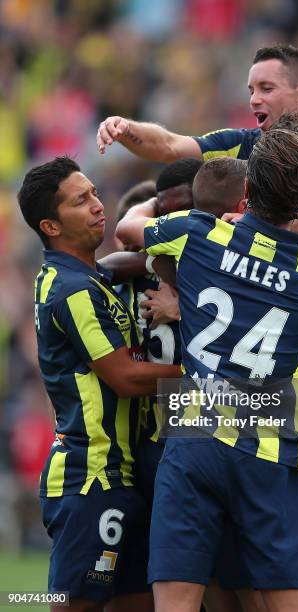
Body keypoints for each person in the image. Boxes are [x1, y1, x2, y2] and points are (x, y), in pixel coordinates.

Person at [97, 42, 298, 582]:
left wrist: (249, 229)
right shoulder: (249, 146)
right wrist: (127, 130)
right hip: (281, 357)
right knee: (263, 513)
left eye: (265, 88)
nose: (253, 100)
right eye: (249, 90)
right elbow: (172, 146)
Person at [116, 129, 298, 612]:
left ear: (248, 193)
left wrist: (152, 205)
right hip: (269, 444)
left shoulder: (197, 232)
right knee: (286, 597)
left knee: (178, 600)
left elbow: (128, 232)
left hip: (192, 434)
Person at [17, 156, 180, 612]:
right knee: (74, 604)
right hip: (90, 478)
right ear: (50, 225)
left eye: (93, 192)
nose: (97, 205)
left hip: (126, 475)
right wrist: (204, 378)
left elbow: (120, 262)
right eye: (80, 201)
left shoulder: (94, 277)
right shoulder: (73, 290)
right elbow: (126, 379)